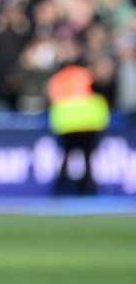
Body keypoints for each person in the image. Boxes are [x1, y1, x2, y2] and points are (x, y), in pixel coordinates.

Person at [46, 60, 110, 196]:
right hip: (87, 122)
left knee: (66, 158)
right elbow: (97, 91)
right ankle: (88, 189)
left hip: (67, 123)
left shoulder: (59, 77)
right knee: (87, 160)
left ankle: (60, 189)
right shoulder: (85, 74)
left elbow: (53, 97)